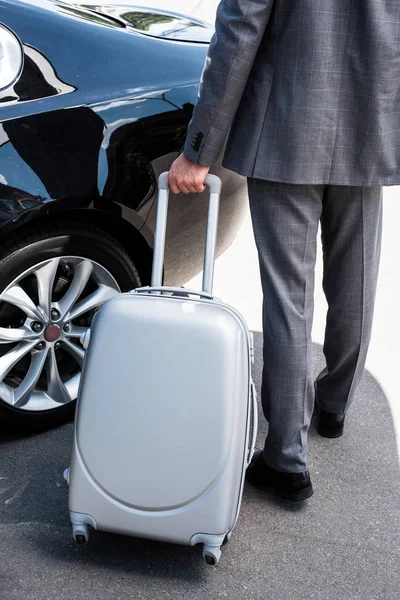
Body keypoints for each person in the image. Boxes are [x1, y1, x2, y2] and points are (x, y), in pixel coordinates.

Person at [169, 1, 398, 501]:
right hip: (371, 126)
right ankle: (334, 405)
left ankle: (287, 459)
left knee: (288, 297)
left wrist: (199, 150)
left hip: (286, 124)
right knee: (356, 278)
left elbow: (238, 31)